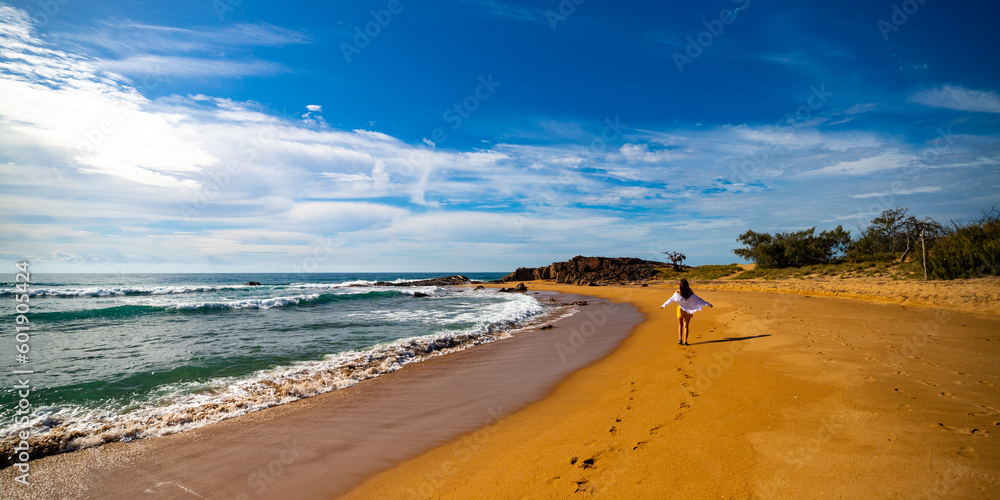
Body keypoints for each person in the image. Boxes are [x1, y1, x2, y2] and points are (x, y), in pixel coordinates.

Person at [659, 279, 712, 346]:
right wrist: (708, 304)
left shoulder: (678, 291)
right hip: (688, 311)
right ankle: (685, 342)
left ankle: (680, 339)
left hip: (680, 310)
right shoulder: (690, 292)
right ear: (687, 285)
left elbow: (671, 299)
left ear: (680, 285)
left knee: (680, 325)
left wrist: (663, 305)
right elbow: (698, 299)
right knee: (686, 326)